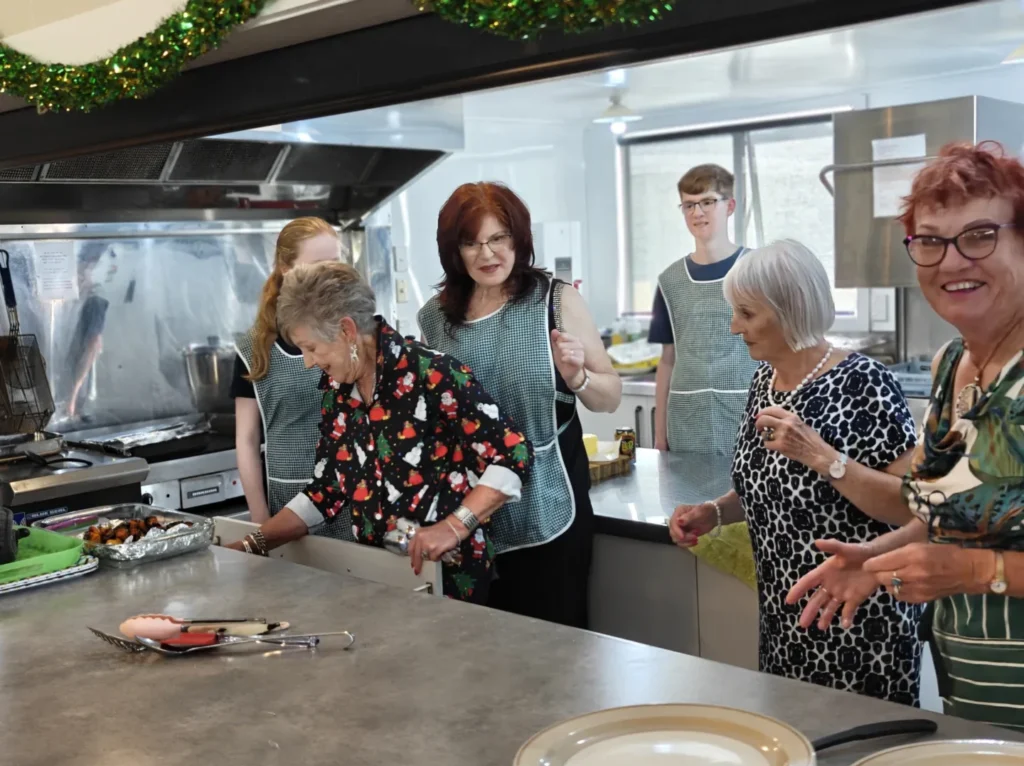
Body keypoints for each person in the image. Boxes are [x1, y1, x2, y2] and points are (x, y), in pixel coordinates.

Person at [788, 141, 1024, 730]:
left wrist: (973, 571)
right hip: (975, 689)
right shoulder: (952, 364)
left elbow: (972, 554)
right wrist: (874, 557)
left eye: (979, 236)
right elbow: (960, 513)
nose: (952, 262)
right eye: (930, 241)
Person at [669, 239, 923, 705]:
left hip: (857, 618)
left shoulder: (865, 383)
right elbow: (771, 486)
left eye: (747, 313)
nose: (734, 326)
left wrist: (824, 458)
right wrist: (714, 512)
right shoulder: (763, 381)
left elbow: (911, 506)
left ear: (791, 310)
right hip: (783, 619)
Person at [228, 261, 533, 602]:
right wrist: (251, 544)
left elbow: (513, 453)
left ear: (347, 330)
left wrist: (454, 525)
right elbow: (327, 489)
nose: (309, 362)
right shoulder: (338, 391)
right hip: (379, 575)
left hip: (449, 579)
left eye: (311, 348)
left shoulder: (432, 373)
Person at [417, 182, 620, 628]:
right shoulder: (435, 317)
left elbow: (610, 396)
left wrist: (578, 378)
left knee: (555, 648)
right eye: (471, 242)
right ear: (453, 250)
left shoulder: (556, 301)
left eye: (498, 238)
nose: (487, 253)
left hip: (551, 509)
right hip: (470, 519)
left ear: (519, 239)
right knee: (484, 649)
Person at [233, 218, 342, 526]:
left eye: (335, 263)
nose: (329, 275)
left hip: (352, 497)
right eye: (317, 265)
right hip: (288, 500)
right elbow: (247, 440)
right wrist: (260, 519)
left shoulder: (352, 334)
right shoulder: (254, 349)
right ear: (285, 269)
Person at [649, 164, 758, 454]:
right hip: (687, 424)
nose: (697, 212)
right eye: (689, 205)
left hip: (750, 417)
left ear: (730, 206)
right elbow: (667, 360)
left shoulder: (756, 270)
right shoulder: (670, 282)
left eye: (708, 202)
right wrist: (659, 435)